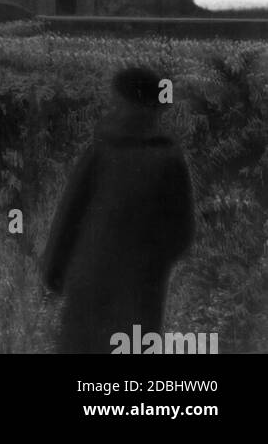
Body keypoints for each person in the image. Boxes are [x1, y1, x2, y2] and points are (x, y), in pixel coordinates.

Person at [41, 65, 196, 354]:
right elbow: (182, 232)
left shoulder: (104, 151)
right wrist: (152, 263)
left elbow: (69, 216)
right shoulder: (165, 157)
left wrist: (55, 272)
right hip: (134, 289)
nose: (118, 108)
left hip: (97, 281)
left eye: (120, 101)